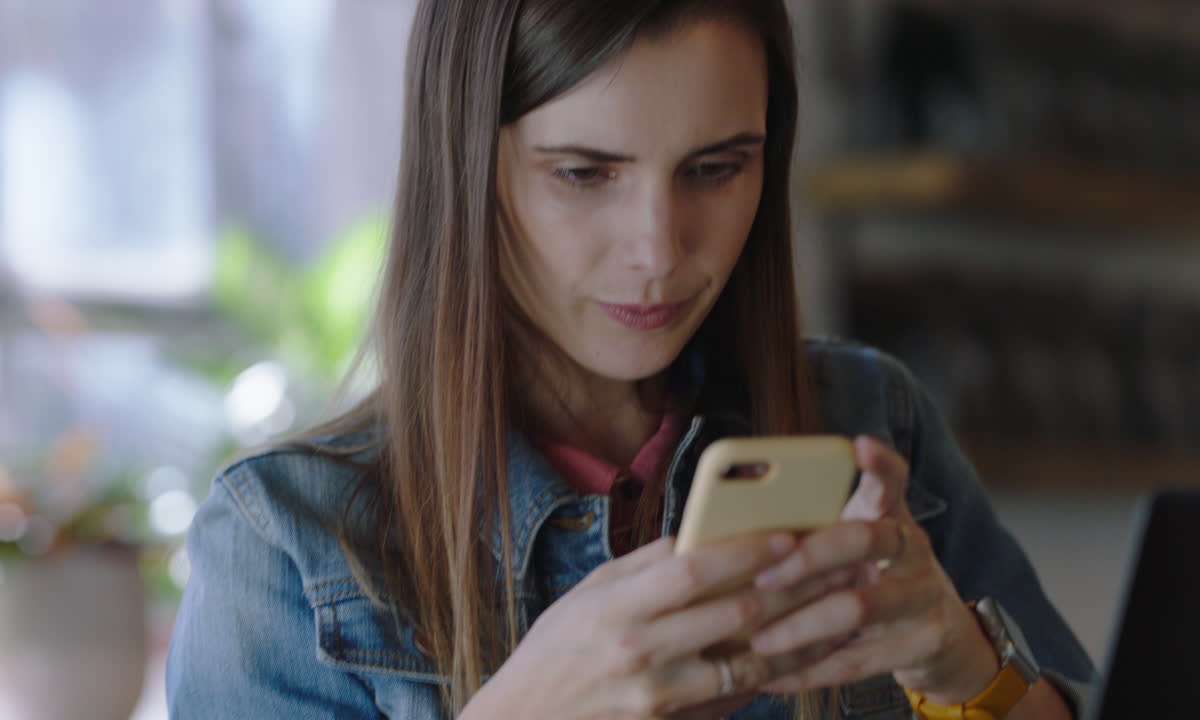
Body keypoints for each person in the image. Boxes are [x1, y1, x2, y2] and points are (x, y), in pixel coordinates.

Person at [166, 1, 1095, 718]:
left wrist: (961, 664)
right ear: (466, 164)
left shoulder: (870, 420)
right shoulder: (283, 545)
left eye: (716, 169)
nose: (659, 250)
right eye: (584, 173)